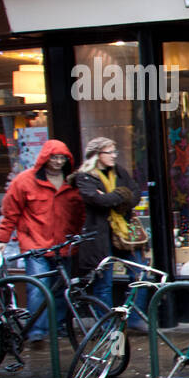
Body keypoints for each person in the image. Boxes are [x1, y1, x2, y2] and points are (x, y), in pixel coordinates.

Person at [0, 138, 84, 342]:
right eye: (54, 157)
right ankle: (36, 331)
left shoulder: (72, 182)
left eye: (62, 158)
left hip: (64, 244)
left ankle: (59, 326)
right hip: (35, 244)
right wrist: (2, 239)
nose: (58, 162)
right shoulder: (24, 181)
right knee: (37, 289)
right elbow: (10, 213)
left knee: (62, 289)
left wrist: (78, 236)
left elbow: (80, 213)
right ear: (45, 158)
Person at [70, 137, 150, 331]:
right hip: (100, 236)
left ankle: (134, 318)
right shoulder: (85, 176)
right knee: (103, 282)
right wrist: (119, 196)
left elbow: (135, 194)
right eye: (110, 152)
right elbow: (96, 200)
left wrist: (112, 196)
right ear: (97, 155)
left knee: (140, 275)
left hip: (124, 232)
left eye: (115, 152)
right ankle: (106, 324)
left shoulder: (120, 172)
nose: (114, 156)